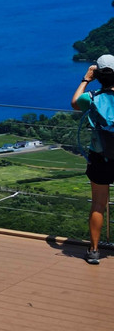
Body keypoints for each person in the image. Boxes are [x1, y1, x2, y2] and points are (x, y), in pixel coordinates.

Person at [71, 54, 114, 265]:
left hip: (100, 156)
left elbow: (74, 102)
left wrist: (86, 79)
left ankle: (94, 250)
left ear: (98, 74)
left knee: (98, 204)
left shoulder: (92, 97)